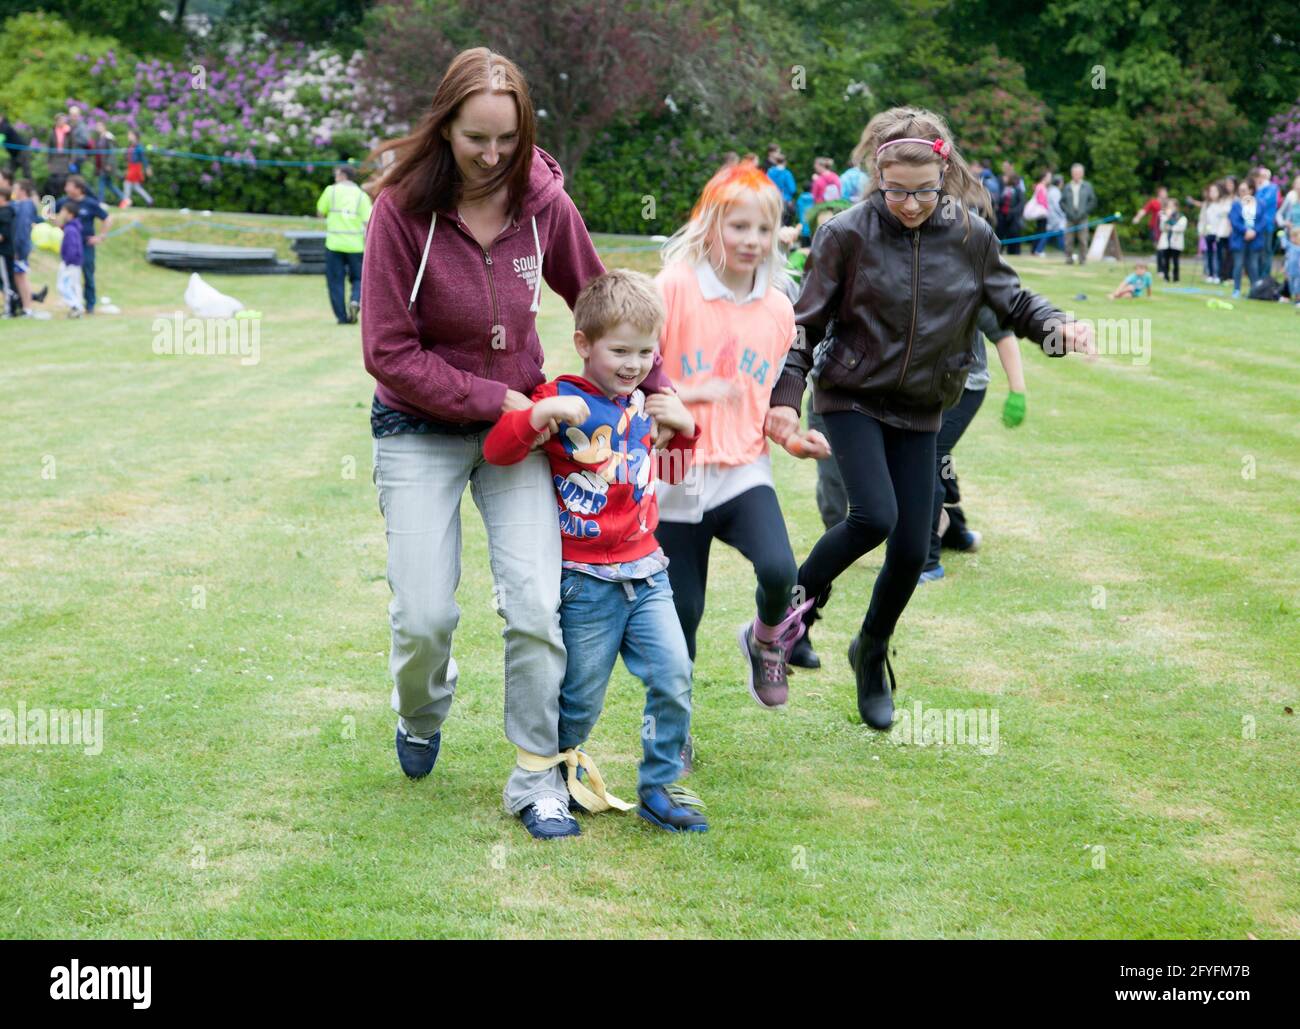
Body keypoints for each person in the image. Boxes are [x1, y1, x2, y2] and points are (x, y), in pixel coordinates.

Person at [360, 47, 673, 840]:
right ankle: (421, 710)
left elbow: (602, 296)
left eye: (508, 139)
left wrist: (657, 382)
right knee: (425, 615)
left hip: (523, 431)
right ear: (445, 129)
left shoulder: (544, 200)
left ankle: (536, 777)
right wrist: (494, 397)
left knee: (538, 604)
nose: (494, 156)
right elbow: (387, 351)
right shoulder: (401, 210)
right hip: (419, 426)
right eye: (476, 140)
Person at [766, 106, 1094, 730]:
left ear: (942, 178)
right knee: (874, 517)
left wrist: (1059, 326)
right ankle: (790, 616)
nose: (910, 204)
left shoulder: (970, 236)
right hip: (852, 394)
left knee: (914, 548)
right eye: (896, 191)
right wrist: (785, 398)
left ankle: (870, 650)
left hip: (920, 406)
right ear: (878, 177)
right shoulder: (846, 234)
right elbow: (804, 326)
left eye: (922, 192)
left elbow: (1014, 299)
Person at [483, 270, 709, 833]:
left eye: (645, 352)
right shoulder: (558, 399)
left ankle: (657, 784)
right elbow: (499, 450)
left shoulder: (644, 404)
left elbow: (675, 471)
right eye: (620, 351)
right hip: (585, 581)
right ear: (584, 344)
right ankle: (549, 782)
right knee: (580, 699)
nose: (634, 364)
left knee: (674, 674)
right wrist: (535, 418)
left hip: (648, 570)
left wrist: (686, 430)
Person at [654, 159, 830, 718]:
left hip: (742, 467)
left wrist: (788, 431)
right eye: (738, 227)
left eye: (762, 228)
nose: (752, 241)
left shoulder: (779, 305)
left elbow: (770, 386)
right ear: (709, 225)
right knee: (683, 609)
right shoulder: (675, 287)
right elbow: (633, 377)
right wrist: (690, 391)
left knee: (780, 570)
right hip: (676, 471)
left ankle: (763, 639)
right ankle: (670, 726)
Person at [921, 302, 1026, 583]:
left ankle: (927, 561)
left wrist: (1017, 391)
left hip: (965, 386)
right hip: (921, 386)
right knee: (936, 456)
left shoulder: (967, 281)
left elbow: (1003, 335)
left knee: (927, 458)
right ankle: (955, 534)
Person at [317, 164, 372, 324]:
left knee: (335, 281)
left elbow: (320, 212)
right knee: (358, 278)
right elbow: (367, 222)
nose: (335, 177)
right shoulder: (361, 195)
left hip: (334, 244)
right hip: (355, 245)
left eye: (336, 174)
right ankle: (355, 300)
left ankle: (342, 317)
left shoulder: (330, 191)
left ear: (342, 175)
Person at [55, 176, 110, 315]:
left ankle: (90, 305)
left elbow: (107, 218)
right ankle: (74, 304)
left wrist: (100, 236)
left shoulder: (90, 203)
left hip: (85, 245)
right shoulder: (63, 202)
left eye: (69, 185)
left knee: (88, 273)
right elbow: (49, 212)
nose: (66, 188)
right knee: (69, 275)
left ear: (79, 188)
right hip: (69, 245)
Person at [9, 179, 47, 315]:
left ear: (22, 191)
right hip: (20, 247)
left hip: (20, 248)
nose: (13, 191)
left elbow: (22, 230)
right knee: (18, 278)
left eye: (15, 188)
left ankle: (27, 308)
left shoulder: (25, 206)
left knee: (21, 278)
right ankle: (26, 305)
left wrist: (17, 249)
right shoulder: (21, 205)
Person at [1228, 178, 1266, 299]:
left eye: (1244, 190)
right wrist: (1245, 231)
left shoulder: (1260, 204)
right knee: (1238, 264)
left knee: (1253, 265)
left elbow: (1264, 220)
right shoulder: (1236, 205)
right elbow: (1234, 220)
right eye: (1240, 190)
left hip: (1255, 239)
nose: (1242, 193)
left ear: (1251, 190)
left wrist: (1254, 231)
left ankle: (1255, 290)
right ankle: (1236, 289)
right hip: (1239, 238)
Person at [1060, 163, 1097, 265]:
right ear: (1072, 174)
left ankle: (1083, 259)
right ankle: (1068, 258)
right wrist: (1067, 211)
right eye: (1074, 173)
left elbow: (1092, 201)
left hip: (1082, 217)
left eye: (1078, 173)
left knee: (1083, 239)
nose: (1076, 175)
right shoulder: (1067, 187)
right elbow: (1062, 202)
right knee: (1068, 240)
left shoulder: (1087, 186)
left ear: (1082, 174)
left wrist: (1084, 212)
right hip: (1069, 217)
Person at [55, 201, 86, 317]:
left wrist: (68, 261)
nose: (61, 214)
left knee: (65, 286)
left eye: (63, 212)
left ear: (70, 214)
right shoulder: (69, 228)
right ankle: (76, 308)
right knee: (71, 285)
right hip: (72, 263)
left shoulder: (71, 230)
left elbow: (72, 248)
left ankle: (76, 307)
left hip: (71, 263)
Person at [1201, 182, 1230, 284]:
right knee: (1208, 254)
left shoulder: (1223, 203)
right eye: (1211, 191)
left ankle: (1219, 274)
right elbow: (1203, 219)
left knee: (1219, 254)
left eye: (1214, 191)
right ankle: (1210, 274)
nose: (1212, 193)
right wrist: (1201, 230)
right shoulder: (1207, 204)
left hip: (1219, 232)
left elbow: (1225, 215)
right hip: (1209, 231)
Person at [764, 143, 797, 225]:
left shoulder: (769, 172)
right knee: (785, 223)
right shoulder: (787, 173)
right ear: (784, 162)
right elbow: (793, 189)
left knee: (774, 223)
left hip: (773, 200)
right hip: (785, 201)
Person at [120, 130, 153, 208]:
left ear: (135, 136)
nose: (128, 136)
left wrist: (147, 168)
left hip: (136, 167)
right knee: (136, 187)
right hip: (131, 167)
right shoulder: (131, 146)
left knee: (126, 183)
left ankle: (126, 202)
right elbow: (128, 157)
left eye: (130, 135)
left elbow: (143, 158)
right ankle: (149, 200)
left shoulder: (139, 146)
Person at [1157, 198, 1187, 282]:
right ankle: (1166, 277)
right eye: (1168, 206)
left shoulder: (1181, 217)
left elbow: (1181, 228)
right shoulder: (1164, 217)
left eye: (1172, 206)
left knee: (1175, 261)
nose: (1170, 208)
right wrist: (1167, 219)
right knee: (1165, 260)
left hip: (1176, 242)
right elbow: (1162, 228)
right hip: (1166, 242)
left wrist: (1170, 227)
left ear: (1176, 207)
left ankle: (1176, 278)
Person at [995, 166, 1024, 254]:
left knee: (1013, 234)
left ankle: (1013, 252)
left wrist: (1013, 212)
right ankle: (998, 250)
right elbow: (1000, 201)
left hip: (1013, 217)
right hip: (1002, 216)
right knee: (1000, 233)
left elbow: (1021, 204)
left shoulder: (1018, 190)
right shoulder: (1004, 189)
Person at [43, 114, 72, 199]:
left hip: (65, 159)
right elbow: (49, 147)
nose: (62, 122)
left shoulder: (68, 132)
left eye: (63, 120)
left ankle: (60, 198)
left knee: (63, 180)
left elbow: (73, 146)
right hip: (55, 159)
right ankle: (53, 198)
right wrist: (48, 161)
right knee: (53, 180)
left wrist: (71, 160)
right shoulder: (53, 132)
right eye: (60, 120)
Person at [1254, 167, 1280, 260]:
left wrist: (1259, 190)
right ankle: (1259, 273)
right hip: (1257, 223)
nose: (1261, 178)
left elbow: (1263, 202)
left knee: (1266, 249)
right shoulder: (1258, 188)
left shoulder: (1272, 188)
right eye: (1260, 176)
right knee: (1258, 249)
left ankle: (1265, 273)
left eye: (1263, 176)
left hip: (1267, 223)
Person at [1028, 169, 1052, 255]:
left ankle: (1035, 249)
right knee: (1041, 231)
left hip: (1042, 212)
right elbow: (1041, 200)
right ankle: (1036, 250)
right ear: (1044, 177)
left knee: (1039, 230)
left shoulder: (1041, 186)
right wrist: (1047, 208)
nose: (1050, 178)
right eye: (1049, 177)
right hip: (1042, 212)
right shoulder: (1041, 186)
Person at [0, 186, 16, 317]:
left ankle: (9, 309)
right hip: (5, 252)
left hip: (4, 252)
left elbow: (3, 235)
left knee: (7, 281)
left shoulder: (5, 213)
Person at [1283, 226, 1300, 311]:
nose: (1291, 239)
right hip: (1291, 271)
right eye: (1290, 237)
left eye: (1293, 237)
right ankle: (1295, 299)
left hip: (1298, 271)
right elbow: (1284, 244)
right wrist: (1282, 235)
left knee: (1298, 286)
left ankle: (1298, 300)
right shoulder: (1291, 247)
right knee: (1292, 286)